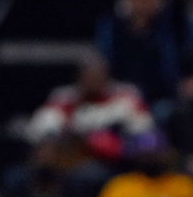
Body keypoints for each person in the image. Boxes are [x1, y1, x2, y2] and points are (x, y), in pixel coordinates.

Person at [24, 54, 154, 162]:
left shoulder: (126, 95)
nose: (93, 80)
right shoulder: (64, 98)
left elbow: (145, 130)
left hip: (116, 160)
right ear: (79, 77)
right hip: (72, 161)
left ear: (107, 75)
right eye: (89, 75)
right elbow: (39, 130)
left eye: (98, 75)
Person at [95, 0, 183, 110]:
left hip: (161, 100)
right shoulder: (110, 28)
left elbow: (174, 74)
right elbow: (104, 66)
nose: (139, 3)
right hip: (120, 99)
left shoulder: (170, 27)